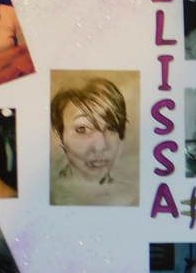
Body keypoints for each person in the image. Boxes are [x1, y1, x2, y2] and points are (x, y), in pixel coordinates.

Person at [50, 76, 137, 206]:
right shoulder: (47, 195)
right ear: (59, 135)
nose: (100, 146)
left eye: (111, 128)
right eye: (82, 129)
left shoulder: (134, 198)